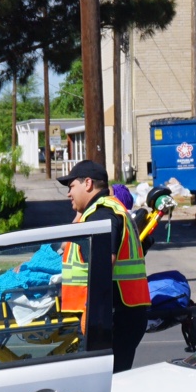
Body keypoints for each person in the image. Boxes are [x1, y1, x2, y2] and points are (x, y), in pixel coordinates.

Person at [56, 159, 150, 371]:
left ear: (87, 183)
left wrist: (92, 313)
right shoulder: (105, 210)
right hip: (122, 313)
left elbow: (104, 264)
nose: (69, 193)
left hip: (112, 316)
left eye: (71, 186)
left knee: (110, 385)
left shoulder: (101, 214)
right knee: (113, 383)